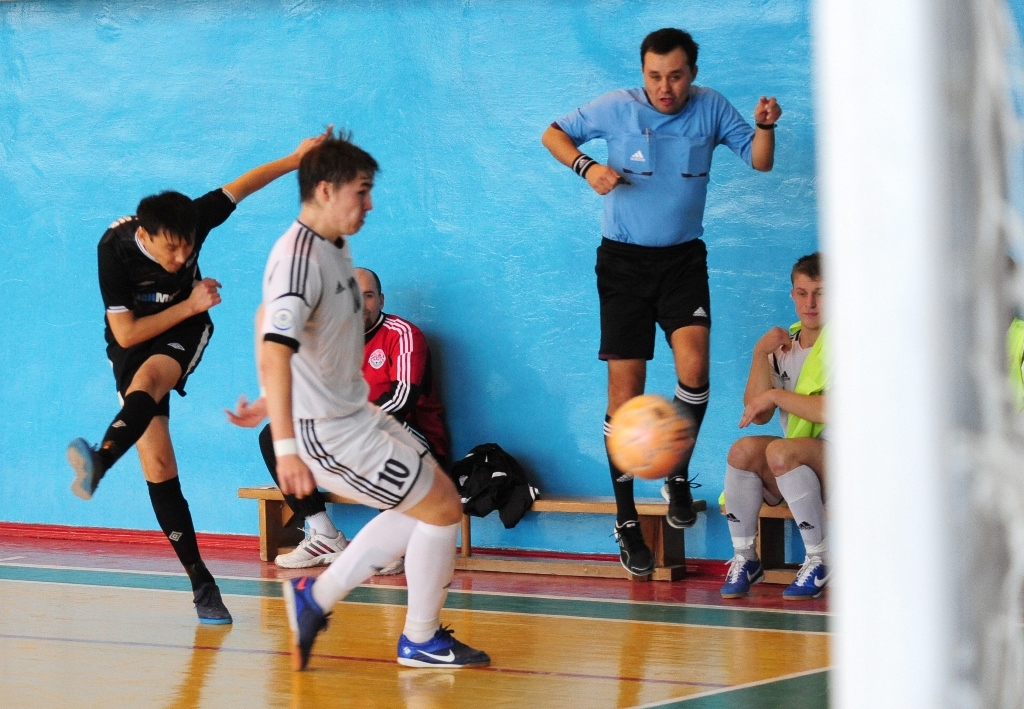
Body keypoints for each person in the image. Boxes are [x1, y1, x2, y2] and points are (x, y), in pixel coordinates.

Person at [541, 27, 782, 575]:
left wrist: (766, 127)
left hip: (682, 262)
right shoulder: (616, 107)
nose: (664, 87)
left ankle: (675, 470)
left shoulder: (711, 108)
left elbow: (759, 160)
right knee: (625, 396)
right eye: (654, 76)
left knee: (694, 372)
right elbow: (553, 134)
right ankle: (626, 520)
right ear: (642, 73)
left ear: (692, 74)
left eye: (675, 76)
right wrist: (587, 167)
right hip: (623, 265)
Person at [65, 129, 331, 624]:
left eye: (187, 248)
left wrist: (296, 159)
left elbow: (242, 186)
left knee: (150, 384)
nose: (180, 258)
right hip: (134, 336)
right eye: (170, 249)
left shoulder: (192, 218)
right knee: (158, 463)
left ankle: (101, 459)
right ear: (145, 235)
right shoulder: (114, 249)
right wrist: (189, 300)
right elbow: (126, 334)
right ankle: (202, 584)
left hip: (185, 330)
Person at [258, 131, 488, 670]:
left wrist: (268, 394)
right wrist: (284, 445)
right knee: (441, 510)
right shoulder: (299, 261)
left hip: (356, 414)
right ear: (325, 190)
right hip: (329, 431)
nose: (370, 204)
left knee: (437, 501)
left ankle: (316, 600)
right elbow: (275, 341)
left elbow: (267, 319)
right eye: (361, 192)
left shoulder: (332, 246)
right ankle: (419, 639)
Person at [227, 267, 450, 573]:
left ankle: (393, 542)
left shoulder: (403, 335)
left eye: (368, 296)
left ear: (381, 300)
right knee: (274, 434)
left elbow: (401, 401)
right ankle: (325, 535)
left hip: (415, 444)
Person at [719, 253, 828, 600]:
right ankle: (745, 557)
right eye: (802, 293)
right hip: (800, 458)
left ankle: (820, 559)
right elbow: (758, 413)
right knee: (742, 451)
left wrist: (777, 395)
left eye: (821, 293)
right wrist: (759, 355)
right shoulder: (784, 347)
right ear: (792, 294)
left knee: (781, 451)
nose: (810, 303)